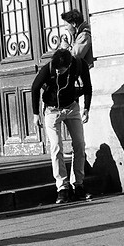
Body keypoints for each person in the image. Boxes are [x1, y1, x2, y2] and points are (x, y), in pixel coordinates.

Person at [32, 47, 92, 203]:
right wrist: (35, 114)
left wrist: (86, 108)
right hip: (52, 111)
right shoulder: (49, 69)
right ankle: (62, 187)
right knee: (56, 147)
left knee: (79, 144)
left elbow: (87, 86)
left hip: (71, 107)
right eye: (57, 69)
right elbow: (34, 88)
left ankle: (78, 184)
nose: (58, 72)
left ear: (69, 64)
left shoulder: (79, 65)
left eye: (62, 69)